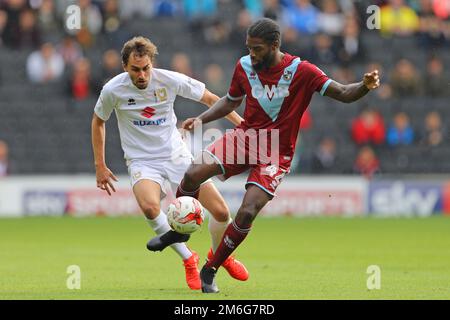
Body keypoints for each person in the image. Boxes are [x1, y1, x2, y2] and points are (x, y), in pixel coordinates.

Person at [149, 18, 380, 293]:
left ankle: (210, 269)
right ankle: (180, 230)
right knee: (192, 174)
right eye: (249, 48)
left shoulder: (301, 70)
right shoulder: (244, 65)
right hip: (247, 138)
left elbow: (343, 92)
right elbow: (231, 101)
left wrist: (365, 85)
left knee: (246, 212)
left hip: (276, 152)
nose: (252, 54)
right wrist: (201, 118)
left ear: (274, 45)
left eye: (257, 49)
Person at [91, 36, 248, 291]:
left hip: (176, 155)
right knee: (151, 207)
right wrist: (100, 164)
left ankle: (221, 257)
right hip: (142, 160)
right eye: (135, 70)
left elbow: (211, 99)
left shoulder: (169, 79)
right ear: (124, 67)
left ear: (152, 63)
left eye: (146, 68)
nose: (142, 75)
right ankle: (189, 258)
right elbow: (98, 121)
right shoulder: (113, 90)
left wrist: (244, 127)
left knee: (220, 212)